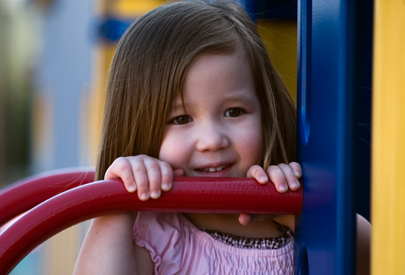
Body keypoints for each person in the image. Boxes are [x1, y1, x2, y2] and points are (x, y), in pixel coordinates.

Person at [74, 1, 370, 274]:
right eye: (181, 119)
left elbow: (369, 257)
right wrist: (118, 203)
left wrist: (302, 212)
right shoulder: (155, 233)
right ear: (138, 129)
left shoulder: (290, 223)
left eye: (234, 112)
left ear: (266, 112)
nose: (212, 140)